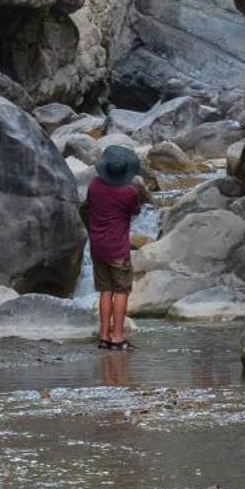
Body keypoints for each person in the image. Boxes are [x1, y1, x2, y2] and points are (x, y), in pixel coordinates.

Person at [81, 142, 146, 350]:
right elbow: (135, 211)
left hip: (97, 248)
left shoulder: (94, 185)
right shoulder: (128, 192)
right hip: (117, 249)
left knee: (105, 291)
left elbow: (89, 205)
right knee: (121, 291)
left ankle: (104, 336)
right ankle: (118, 337)